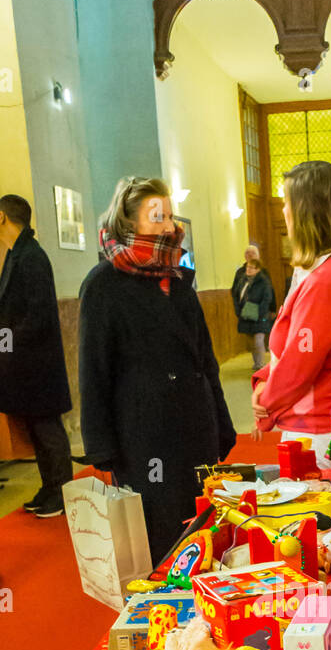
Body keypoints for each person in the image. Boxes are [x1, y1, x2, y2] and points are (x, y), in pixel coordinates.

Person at [78, 176, 236, 564]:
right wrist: (102, 447)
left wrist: (222, 423)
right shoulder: (103, 285)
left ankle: (204, 612)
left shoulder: (179, 281)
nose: (169, 226)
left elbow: (206, 361)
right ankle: (165, 615)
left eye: (170, 215)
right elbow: (93, 370)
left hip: (196, 429)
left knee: (203, 530)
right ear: (129, 223)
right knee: (161, 537)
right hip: (144, 436)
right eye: (157, 216)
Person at [252, 160, 331, 458]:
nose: (284, 212)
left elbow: (299, 364)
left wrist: (265, 400)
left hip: (321, 429)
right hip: (317, 422)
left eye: (287, 202)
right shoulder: (324, 269)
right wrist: (265, 377)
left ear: (307, 211)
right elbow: (293, 348)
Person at [0, 194, 73, 518]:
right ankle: (49, 486)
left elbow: (37, 316)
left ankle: (62, 492)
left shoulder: (31, 257)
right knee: (37, 429)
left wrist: (5, 349)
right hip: (24, 363)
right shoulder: (17, 253)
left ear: (1, 218)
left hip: (37, 363)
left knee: (47, 428)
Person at [232, 254, 276, 371]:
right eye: (247, 267)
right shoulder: (242, 280)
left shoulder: (264, 282)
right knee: (251, 341)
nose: (248, 270)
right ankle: (256, 362)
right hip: (245, 313)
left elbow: (267, 298)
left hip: (259, 313)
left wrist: (259, 312)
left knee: (258, 340)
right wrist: (238, 310)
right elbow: (236, 295)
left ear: (258, 270)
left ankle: (260, 364)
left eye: (251, 268)